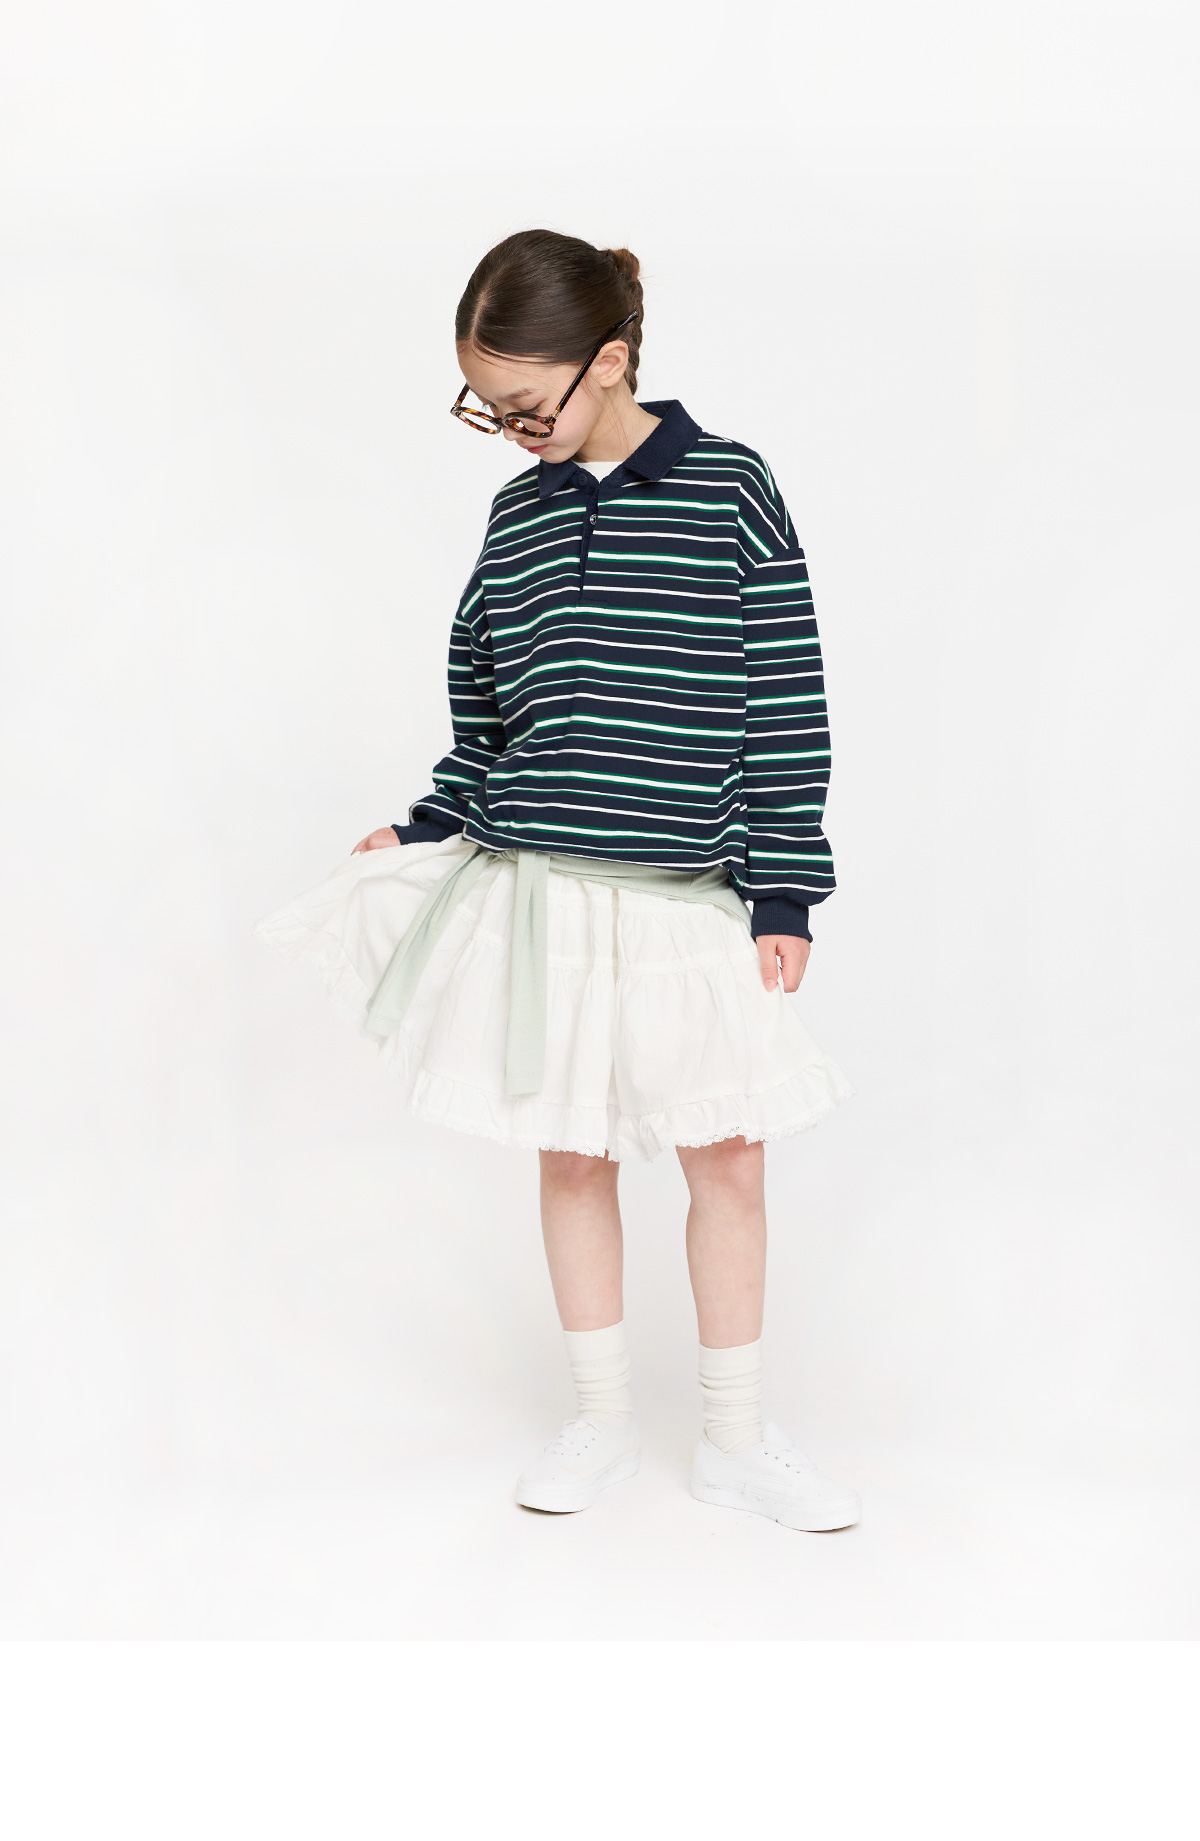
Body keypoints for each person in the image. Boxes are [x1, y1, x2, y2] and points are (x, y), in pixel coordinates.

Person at [256, 228, 860, 1533]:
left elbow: (786, 698)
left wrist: (785, 890)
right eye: (490, 410)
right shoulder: (515, 518)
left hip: (687, 896)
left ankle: (737, 1438)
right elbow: (486, 711)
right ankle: (599, 1419)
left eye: (528, 406)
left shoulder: (732, 488)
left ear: (612, 361)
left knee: (729, 1160)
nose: (513, 433)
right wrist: (425, 823)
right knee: (574, 1157)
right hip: (543, 897)